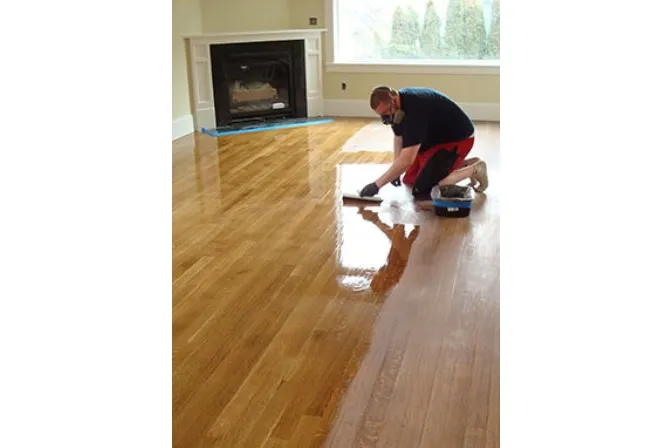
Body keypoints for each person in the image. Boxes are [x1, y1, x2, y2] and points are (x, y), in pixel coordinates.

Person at [359, 86, 489, 200]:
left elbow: (407, 160)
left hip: (458, 139)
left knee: (425, 189)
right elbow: (398, 137)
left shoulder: (415, 110)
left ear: (393, 99)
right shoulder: (398, 109)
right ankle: (466, 163)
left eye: (386, 112)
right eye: (381, 115)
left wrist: (377, 185)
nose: (385, 117)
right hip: (434, 140)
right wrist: (395, 170)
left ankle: (474, 170)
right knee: (410, 178)